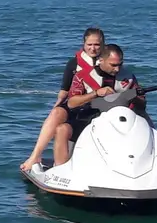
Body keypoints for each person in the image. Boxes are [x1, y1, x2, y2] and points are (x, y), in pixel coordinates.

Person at [22, 27, 105, 170]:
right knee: (56, 113)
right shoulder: (74, 63)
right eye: (89, 45)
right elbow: (64, 92)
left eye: (97, 45)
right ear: (83, 45)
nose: (93, 48)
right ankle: (35, 156)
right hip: (77, 103)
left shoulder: (108, 62)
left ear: (103, 44)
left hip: (97, 105)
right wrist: (57, 106)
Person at [54, 43, 142, 163]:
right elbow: (71, 103)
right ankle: (60, 168)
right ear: (101, 60)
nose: (117, 69)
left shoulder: (129, 78)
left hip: (118, 122)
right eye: (113, 65)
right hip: (88, 119)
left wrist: (134, 97)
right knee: (62, 129)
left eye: (120, 64)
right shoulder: (83, 76)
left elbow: (142, 105)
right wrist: (95, 93)